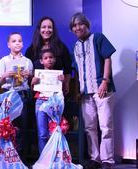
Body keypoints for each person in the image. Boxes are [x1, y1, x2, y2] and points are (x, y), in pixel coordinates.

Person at [70, 12, 116, 169]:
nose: (78, 27)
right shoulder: (75, 47)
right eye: (74, 26)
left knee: (105, 126)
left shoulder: (98, 38)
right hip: (85, 93)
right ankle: (95, 158)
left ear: (86, 25)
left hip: (102, 90)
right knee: (90, 128)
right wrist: (76, 90)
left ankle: (107, 160)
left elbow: (108, 59)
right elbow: (75, 71)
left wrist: (105, 81)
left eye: (80, 24)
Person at [0, 32, 33, 162]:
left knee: (22, 128)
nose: (17, 43)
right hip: (9, 96)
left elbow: (32, 82)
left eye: (19, 41)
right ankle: (7, 157)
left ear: (22, 44)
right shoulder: (4, 61)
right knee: (8, 127)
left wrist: (29, 75)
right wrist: (5, 75)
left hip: (22, 95)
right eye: (14, 41)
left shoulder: (27, 61)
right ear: (8, 45)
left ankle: (20, 159)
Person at [25, 16, 72, 95]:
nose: (46, 30)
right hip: (37, 93)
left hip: (57, 93)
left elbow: (68, 69)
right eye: (43, 27)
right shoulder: (32, 50)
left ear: (53, 30)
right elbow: (28, 72)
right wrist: (31, 80)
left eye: (49, 27)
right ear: (39, 30)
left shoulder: (61, 47)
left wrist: (66, 83)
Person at [31, 49, 64, 154]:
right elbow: (33, 90)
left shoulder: (59, 75)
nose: (49, 60)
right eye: (46, 58)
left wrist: (62, 81)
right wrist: (32, 83)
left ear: (54, 59)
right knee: (42, 133)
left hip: (54, 104)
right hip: (41, 102)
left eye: (51, 57)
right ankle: (43, 159)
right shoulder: (38, 75)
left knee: (54, 131)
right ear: (41, 61)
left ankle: (54, 157)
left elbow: (61, 91)